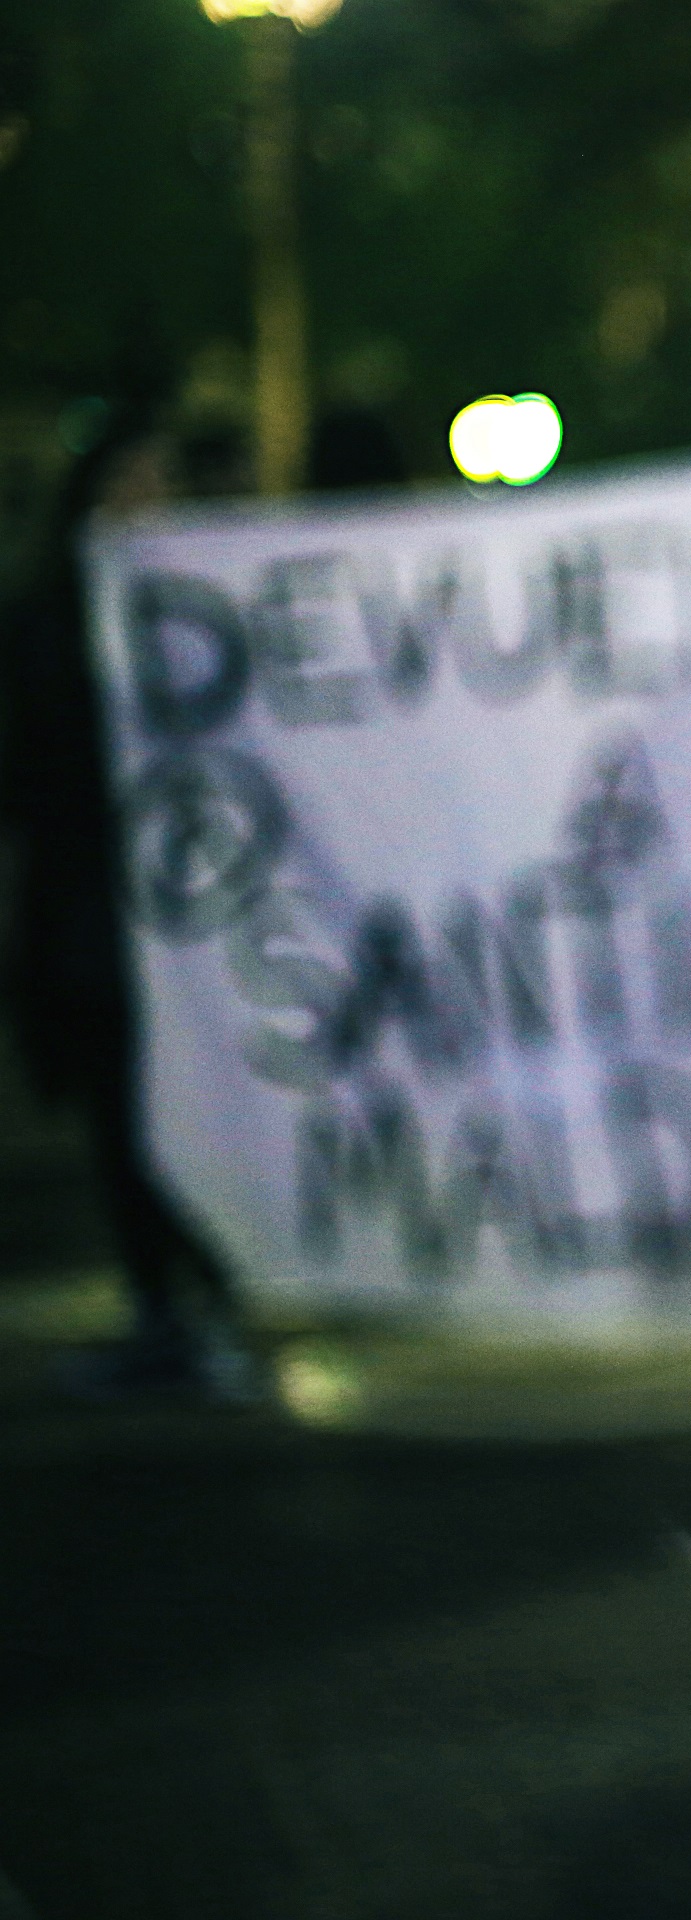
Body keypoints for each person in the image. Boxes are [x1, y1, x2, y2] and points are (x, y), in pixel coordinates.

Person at [2, 408, 254, 1401]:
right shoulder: (49, 625)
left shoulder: (205, 605)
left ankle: (205, 1292)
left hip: (189, 915)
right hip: (96, 919)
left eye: (162, 486)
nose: (151, 505)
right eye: (131, 487)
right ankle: (166, 1304)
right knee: (125, 1109)